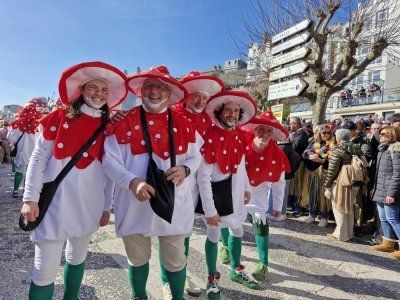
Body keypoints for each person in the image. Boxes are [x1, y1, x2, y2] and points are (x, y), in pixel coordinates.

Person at [20, 61, 128, 300]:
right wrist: (30, 198)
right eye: (93, 87)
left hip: (89, 204)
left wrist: (105, 207)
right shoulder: (58, 117)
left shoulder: (109, 127)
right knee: (43, 271)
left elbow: (110, 170)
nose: (98, 93)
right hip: (53, 205)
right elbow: (38, 158)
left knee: (77, 258)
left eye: (104, 90)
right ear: (82, 89)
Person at [102, 65, 203, 300]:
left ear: (169, 94)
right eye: (149, 86)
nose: (155, 91)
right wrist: (131, 181)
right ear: (140, 91)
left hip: (174, 202)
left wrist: (186, 169)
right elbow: (109, 161)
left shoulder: (184, 122)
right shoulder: (124, 120)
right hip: (134, 200)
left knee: (176, 259)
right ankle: (139, 296)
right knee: (137, 258)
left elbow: (197, 154)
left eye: (161, 87)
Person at [159, 71, 224, 299]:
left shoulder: (209, 120)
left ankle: (180, 273)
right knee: (170, 230)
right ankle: (167, 280)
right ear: (187, 97)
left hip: (199, 182)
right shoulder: (172, 114)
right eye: (196, 96)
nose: (200, 101)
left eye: (204, 98)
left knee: (184, 230)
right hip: (177, 178)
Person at [196, 90, 258, 298]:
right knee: (213, 236)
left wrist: (247, 187)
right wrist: (209, 209)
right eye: (228, 110)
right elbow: (203, 177)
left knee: (237, 231)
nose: (232, 114)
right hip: (217, 196)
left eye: (236, 110)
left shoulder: (238, 135)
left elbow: (242, 164)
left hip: (236, 194)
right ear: (220, 111)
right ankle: (211, 278)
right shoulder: (210, 135)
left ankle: (235, 270)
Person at [240, 111, 290, 281]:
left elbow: (279, 182)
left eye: (269, 131)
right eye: (261, 130)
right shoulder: (240, 144)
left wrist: (277, 207)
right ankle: (226, 247)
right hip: (237, 192)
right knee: (230, 222)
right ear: (254, 130)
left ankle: (263, 264)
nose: (265, 134)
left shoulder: (277, 154)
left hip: (259, 196)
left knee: (260, 225)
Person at [324, 128, 365, 241]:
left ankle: (341, 234)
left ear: (338, 138)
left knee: (339, 207)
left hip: (341, 182)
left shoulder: (338, 150)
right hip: (356, 181)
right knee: (349, 208)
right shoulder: (357, 148)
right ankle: (349, 233)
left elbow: (332, 170)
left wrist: (327, 185)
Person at [370, 126, 400, 259]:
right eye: (379, 133)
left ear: (392, 135)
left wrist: (391, 193)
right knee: (383, 218)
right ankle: (388, 243)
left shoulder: (396, 150)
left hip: (389, 191)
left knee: (392, 218)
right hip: (380, 189)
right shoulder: (383, 149)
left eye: (383, 134)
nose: (380, 136)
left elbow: (397, 174)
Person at [303, 125, 336, 227]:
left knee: (323, 196)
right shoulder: (315, 143)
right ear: (319, 134)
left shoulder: (333, 145)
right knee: (313, 193)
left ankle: (324, 217)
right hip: (314, 173)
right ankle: (312, 215)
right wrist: (308, 153)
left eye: (328, 133)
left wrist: (321, 161)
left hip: (325, 174)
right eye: (324, 133)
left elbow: (334, 160)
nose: (326, 135)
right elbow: (305, 152)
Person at [7, 104, 43, 197]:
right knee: (30, 171)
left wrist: (15, 143)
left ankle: (15, 191)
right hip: (35, 151)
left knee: (19, 170)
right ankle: (26, 191)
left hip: (21, 150)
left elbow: (9, 137)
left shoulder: (16, 123)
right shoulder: (38, 124)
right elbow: (41, 139)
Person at [287, 116, 309, 217]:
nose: (289, 125)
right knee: (292, 186)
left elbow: (295, 147)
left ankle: (298, 208)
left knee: (297, 186)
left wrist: (288, 140)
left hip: (299, 164)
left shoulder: (302, 133)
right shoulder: (294, 133)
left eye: (291, 123)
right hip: (292, 162)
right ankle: (290, 205)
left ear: (296, 124)